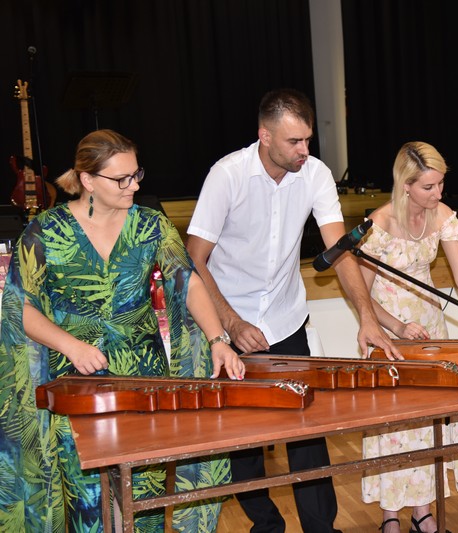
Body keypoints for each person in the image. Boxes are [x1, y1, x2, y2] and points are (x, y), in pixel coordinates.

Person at [0, 129, 246, 532]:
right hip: (73, 384)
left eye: (136, 174)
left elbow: (188, 281)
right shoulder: (45, 231)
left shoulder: (150, 224)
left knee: (143, 495)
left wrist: (218, 339)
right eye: (121, 179)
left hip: (142, 380)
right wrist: (72, 346)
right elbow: (18, 307)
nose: (134, 185)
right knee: (88, 500)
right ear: (87, 179)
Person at [185, 88, 399, 533]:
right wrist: (230, 323)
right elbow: (195, 257)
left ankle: (322, 528)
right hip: (230, 319)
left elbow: (340, 251)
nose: (305, 150)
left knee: (307, 433)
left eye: (308, 140)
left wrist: (368, 317)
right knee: (244, 442)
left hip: (286, 319)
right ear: (264, 136)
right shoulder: (228, 175)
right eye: (294, 142)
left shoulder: (315, 174)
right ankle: (266, 526)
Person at [357, 141, 458, 533]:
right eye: (428, 186)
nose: (438, 193)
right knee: (395, 428)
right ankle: (390, 517)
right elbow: (362, 299)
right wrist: (396, 327)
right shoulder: (379, 225)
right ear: (405, 185)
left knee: (429, 425)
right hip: (389, 335)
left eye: (441, 184)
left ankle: (423, 513)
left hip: (430, 330)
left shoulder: (441, 215)